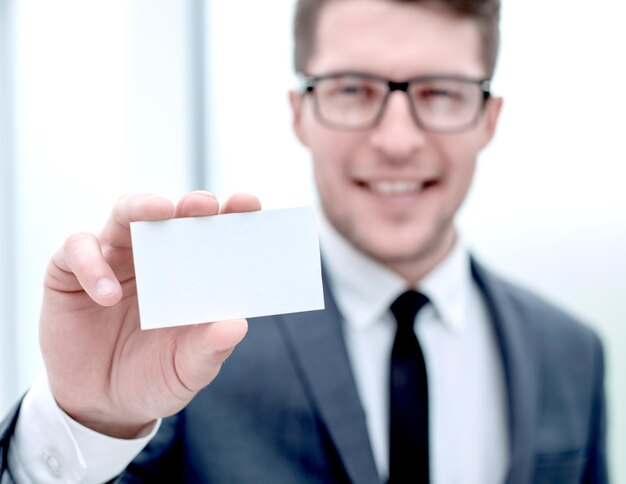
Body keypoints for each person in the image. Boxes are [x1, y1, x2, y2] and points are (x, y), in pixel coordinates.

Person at [0, 0, 608, 482]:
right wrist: (87, 420)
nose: (397, 140)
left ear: (489, 118)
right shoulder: (191, 340)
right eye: (353, 89)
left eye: (441, 92)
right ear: (299, 112)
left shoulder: (572, 355)